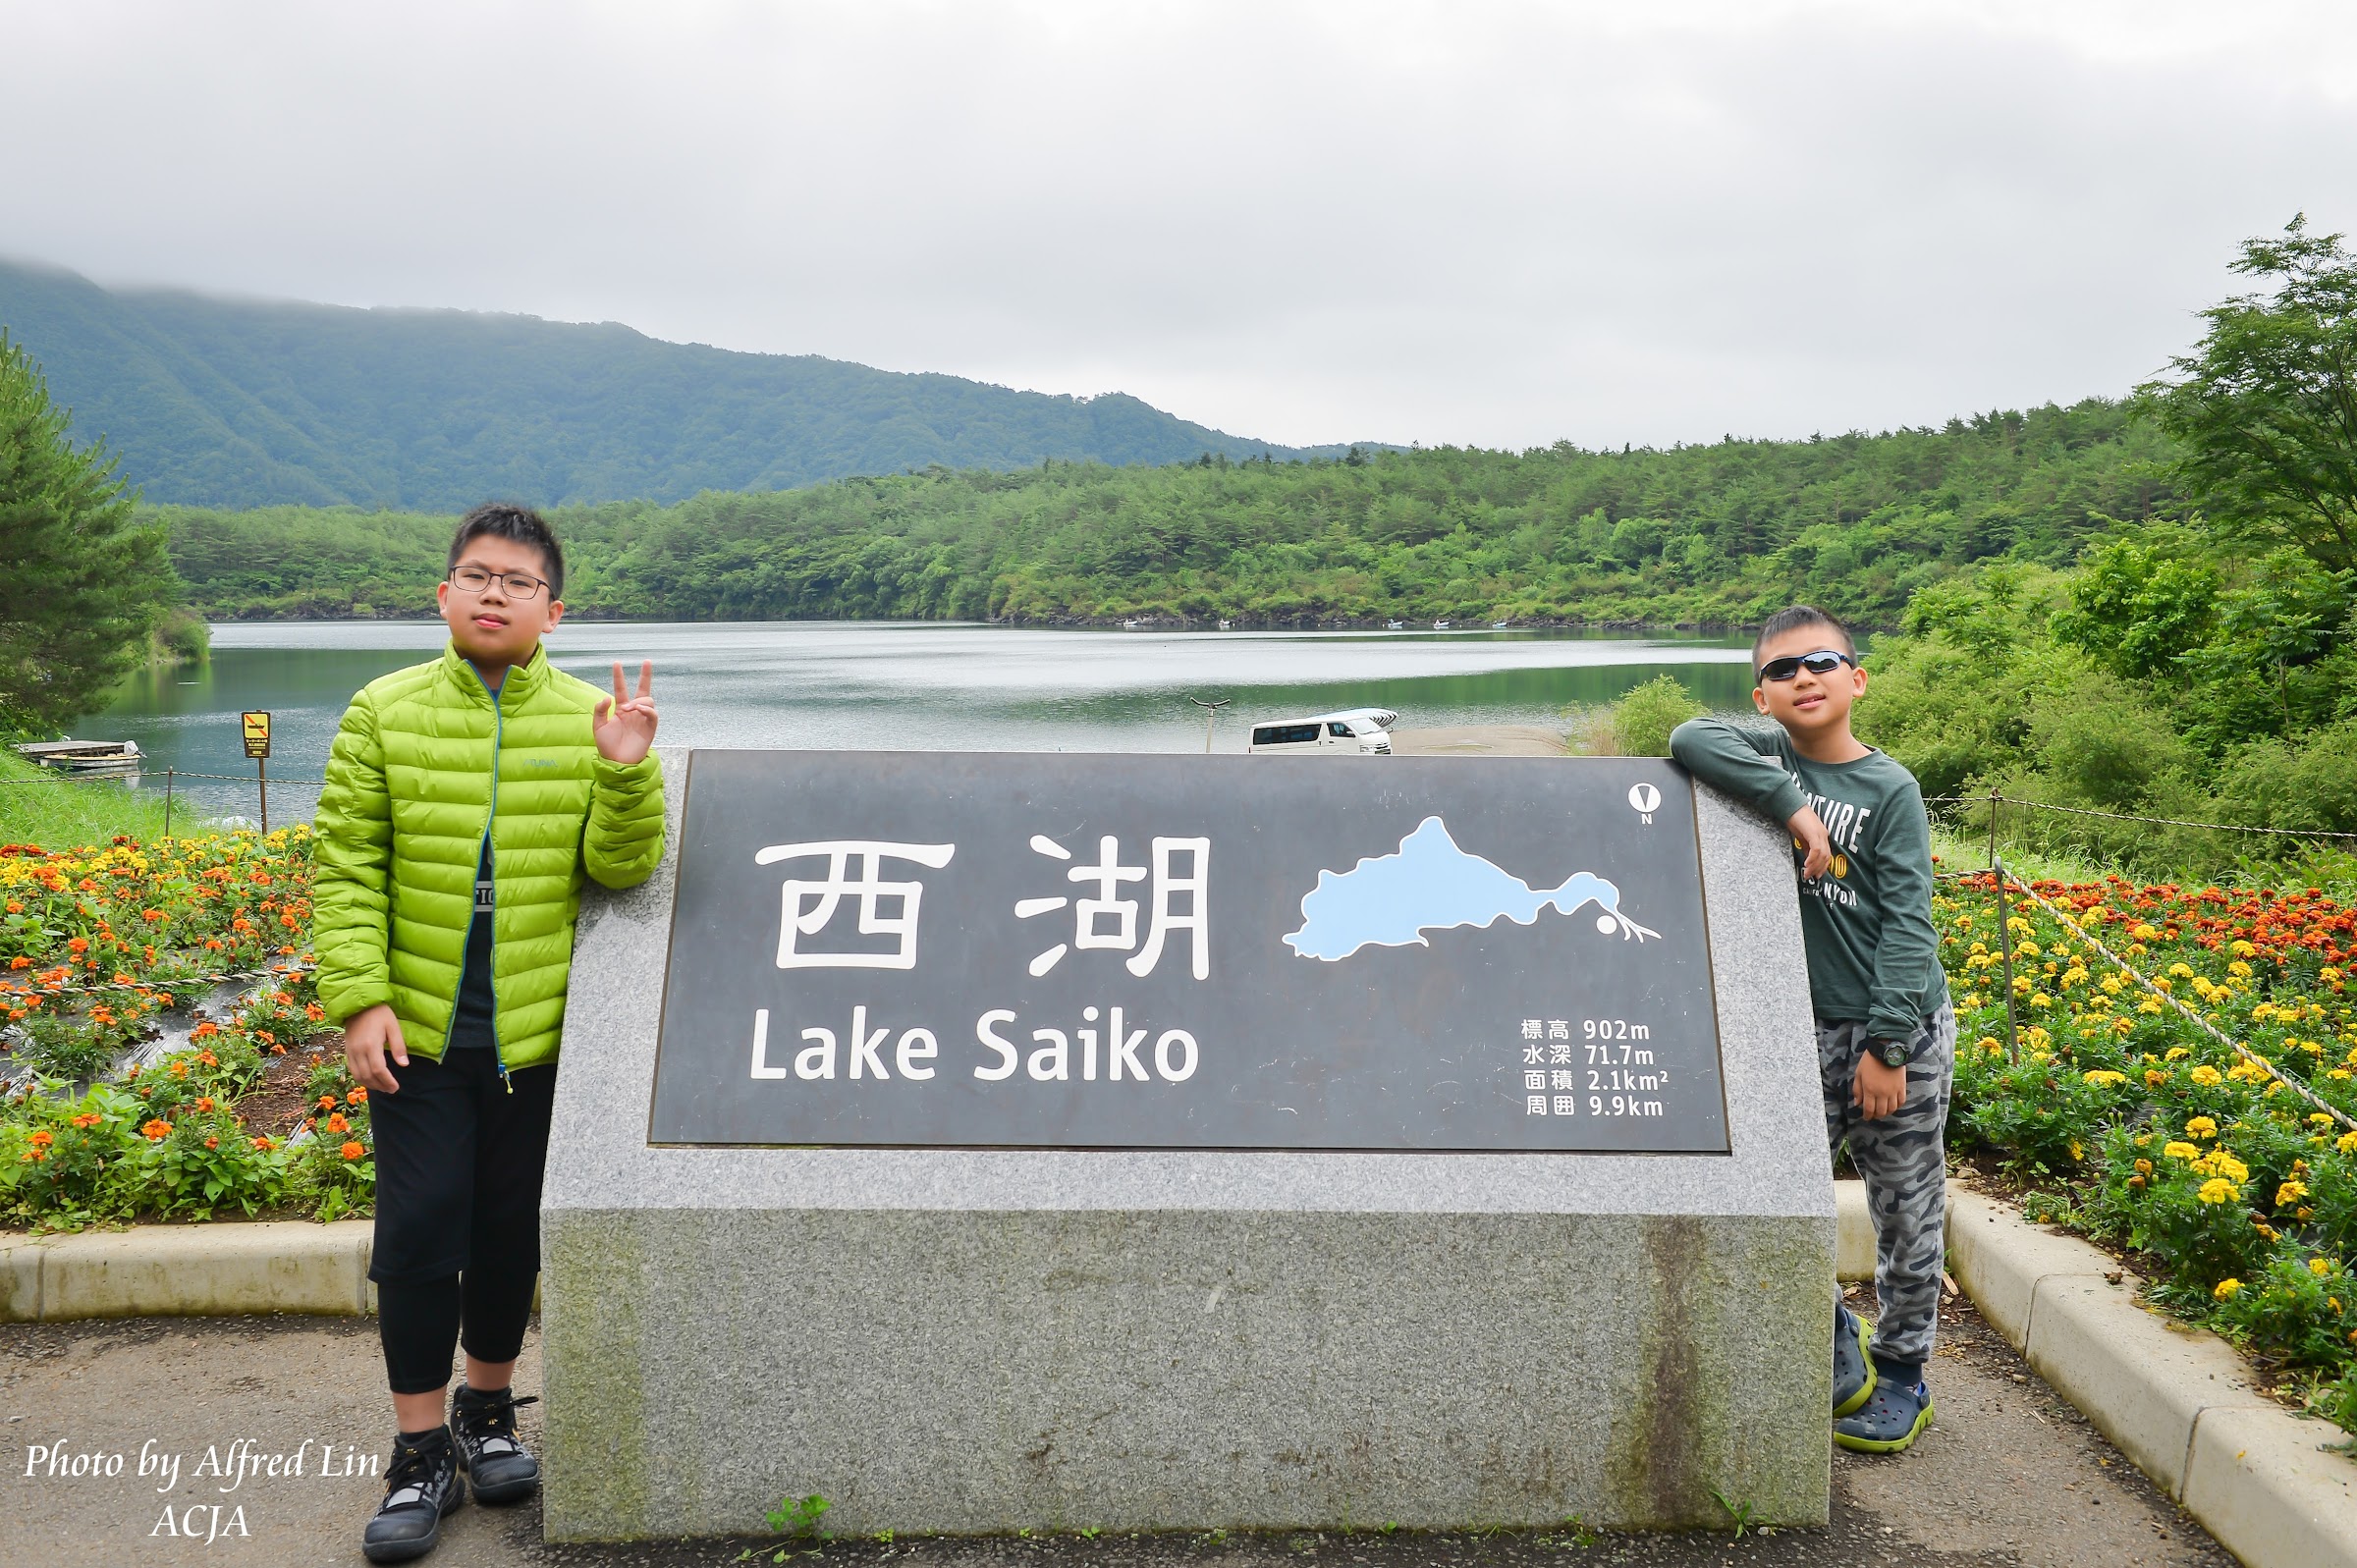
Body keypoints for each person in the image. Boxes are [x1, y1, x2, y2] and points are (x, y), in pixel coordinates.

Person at [311, 503, 666, 1563]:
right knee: (420, 1230)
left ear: (553, 610)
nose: (494, 592)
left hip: (536, 1033)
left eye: (517, 580)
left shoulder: (584, 718)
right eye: (476, 575)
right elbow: (345, 867)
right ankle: (419, 1448)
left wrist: (624, 767)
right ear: (444, 595)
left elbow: (621, 868)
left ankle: (489, 1407)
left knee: (510, 1229)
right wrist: (360, 997)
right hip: (418, 1029)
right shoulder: (384, 709)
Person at [1670, 605, 1950, 1455]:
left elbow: (1910, 923)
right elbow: (1689, 737)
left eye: (1822, 662)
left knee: (1906, 1207)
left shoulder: (1890, 788)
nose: (1804, 678)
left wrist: (1888, 1046)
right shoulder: (1769, 758)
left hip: (1894, 1031)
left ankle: (1904, 1372)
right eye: (1783, 670)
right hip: (1799, 1034)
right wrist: (1794, 808)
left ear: (1856, 679)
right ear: (1763, 694)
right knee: (1776, 1193)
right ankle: (1837, 1353)